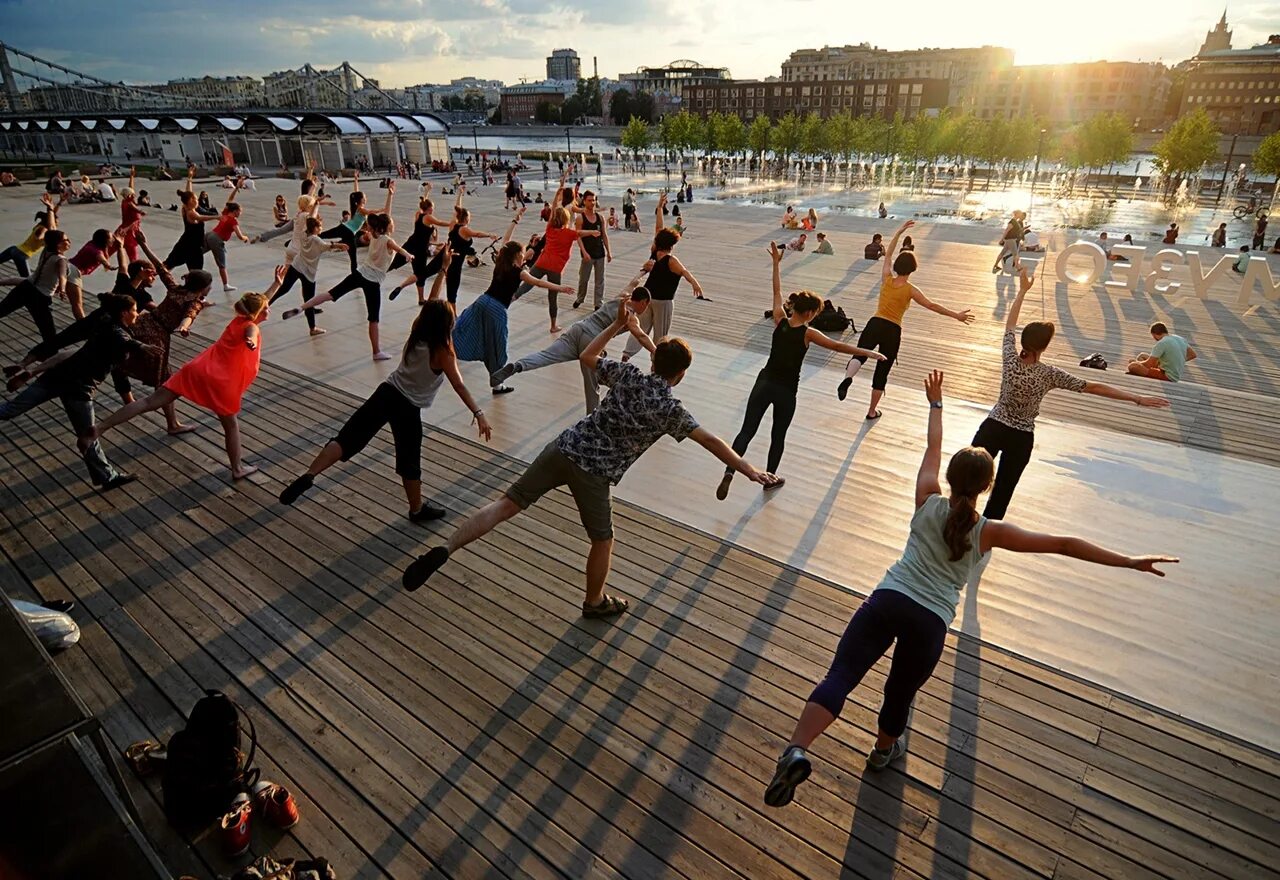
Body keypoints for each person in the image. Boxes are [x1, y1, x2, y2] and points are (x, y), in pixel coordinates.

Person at [762, 370, 1177, 808]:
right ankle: (883, 751)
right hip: (930, 620)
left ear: (951, 478)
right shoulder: (988, 532)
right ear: (987, 487)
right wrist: (1128, 560)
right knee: (899, 692)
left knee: (840, 678)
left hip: (888, 599)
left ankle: (797, 749)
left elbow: (933, 447)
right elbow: (1063, 544)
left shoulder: (927, 498)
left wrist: (936, 404)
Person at [401, 299, 781, 615]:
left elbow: (587, 354)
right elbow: (710, 440)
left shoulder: (627, 375)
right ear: (679, 375)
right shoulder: (670, 409)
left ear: (653, 363)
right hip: (596, 474)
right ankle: (594, 600)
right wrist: (747, 469)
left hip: (564, 446)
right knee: (603, 540)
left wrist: (617, 326)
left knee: (504, 504)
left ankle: (447, 547)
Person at [279, 278, 494, 521]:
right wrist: (479, 413)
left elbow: (431, 305)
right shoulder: (443, 351)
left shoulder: (417, 332)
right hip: (408, 408)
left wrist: (443, 270)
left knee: (347, 438)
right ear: (446, 324)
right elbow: (458, 385)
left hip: (386, 392)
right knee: (409, 461)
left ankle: (310, 474)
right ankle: (416, 509)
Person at [972, 269, 1169, 520]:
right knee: (1003, 493)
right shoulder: (1050, 374)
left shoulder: (1010, 358)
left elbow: (1010, 325)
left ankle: (956, 524)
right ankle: (986, 537)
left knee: (970, 478)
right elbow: (1094, 387)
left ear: (1024, 342)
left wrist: (1023, 290)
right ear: (1044, 346)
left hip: (994, 426)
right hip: (1021, 438)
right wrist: (1137, 398)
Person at [717, 245, 886, 500]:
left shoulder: (780, 320)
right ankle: (769, 478)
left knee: (746, 431)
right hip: (787, 391)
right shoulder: (808, 333)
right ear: (808, 313)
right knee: (778, 436)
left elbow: (776, 290)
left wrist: (776, 263)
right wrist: (869, 353)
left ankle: (730, 471)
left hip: (764, 382)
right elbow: (838, 346)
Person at [84, 279, 285, 480]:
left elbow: (261, 301)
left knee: (148, 402)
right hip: (220, 382)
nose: (269, 309)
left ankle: (98, 428)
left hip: (196, 369)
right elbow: (252, 331)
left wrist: (277, 283)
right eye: (267, 308)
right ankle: (238, 469)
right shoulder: (252, 327)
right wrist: (250, 341)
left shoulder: (239, 320)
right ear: (256, 313)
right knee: (231, 426)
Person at [1, 293, 148, 490]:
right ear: (124, 313)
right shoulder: (118, 334)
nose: (137, 314)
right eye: (134, 310)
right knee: (89, 434)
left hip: (57, 375)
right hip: (79, 389)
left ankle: (106, 476)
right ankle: (107, 477)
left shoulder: (103, 322)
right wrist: (143, 346)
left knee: (10, 409)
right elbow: (125, 341)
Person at [837, 221, 974, 420]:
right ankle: (871, 411)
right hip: (892, 330)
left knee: (860, 355)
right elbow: (932, 306)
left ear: (897, 266)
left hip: (875, 323)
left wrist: (899, 232)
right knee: (882, 371)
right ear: (912, 269)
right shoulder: (910, 290)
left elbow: (889, 254)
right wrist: (956, 315)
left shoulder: (886, 279)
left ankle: (848, 378)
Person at [452, 211, 575, 395]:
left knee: (468, 330)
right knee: (496, 347)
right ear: (518, 256)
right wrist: (560, 288)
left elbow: (507, 240)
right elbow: (539, 283)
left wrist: (515, 220)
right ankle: (497, 382)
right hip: (496, 309)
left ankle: (493, 381)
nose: (525, 255)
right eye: (523, 253)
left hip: (482, 302)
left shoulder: (501, 261)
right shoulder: (520, 272)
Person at [282, 186, 411, 361]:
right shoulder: (388, 239)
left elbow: (386, 215)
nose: (393, 223)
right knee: (374, 319)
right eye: (392, 222)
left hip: (360, 273)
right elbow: (399, 248)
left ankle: (302, 308)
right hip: (373, 282)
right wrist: (408, 255)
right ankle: (376, 352)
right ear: (388, 226)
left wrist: (390, 195)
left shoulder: (374, 235)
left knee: (330, 294)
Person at [492, 276, 656, 412]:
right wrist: (656, 351)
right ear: (642, 302)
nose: (646, 308)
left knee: (546, 355)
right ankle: (591, 418)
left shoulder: (621, 297)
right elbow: (641, 336)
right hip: (591, 341)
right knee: (591, 384)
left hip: (577, 329)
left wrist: (643, 271)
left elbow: (633, 282)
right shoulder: (631, 316)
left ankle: (518, 366)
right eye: (647, 304)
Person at [621, 193, 708, 361]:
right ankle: (657, 363)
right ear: (672, 244)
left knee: (640, 329)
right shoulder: (671, 260)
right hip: (664, 302)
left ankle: (626, 354)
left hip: (648, 298)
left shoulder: (655, 251)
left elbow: (658, 228)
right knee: (660, 336)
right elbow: (685, 272)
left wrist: (660, 207)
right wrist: (695, 284)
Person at [513, 175, 600, 333]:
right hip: (555, 268)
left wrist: (556, 195)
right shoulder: (568, 233)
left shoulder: (550, 229)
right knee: (552, 296)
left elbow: (553, 211)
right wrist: (594, 231)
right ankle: (553, 326)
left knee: (527, 285)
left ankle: (510, 299)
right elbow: (580, 233)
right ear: (567, 219)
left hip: (541, 262)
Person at [271, 213, 347, 336]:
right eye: (320, 226)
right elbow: (325, 246)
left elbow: (321, 242)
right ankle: (312, 328)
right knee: (309, 301)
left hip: (296, 266)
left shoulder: (303, 234)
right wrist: (340, 245)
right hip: (308, 273)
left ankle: (266, 304)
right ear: (315, 228)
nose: (321, 228)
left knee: (284, 288)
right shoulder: (316, 239)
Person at [0, 229, 68, 343]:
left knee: (2, 310)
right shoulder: (61, 260)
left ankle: (50, 354)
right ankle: (51, 356)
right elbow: (62, 276)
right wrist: (62, 289)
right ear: (58, 243)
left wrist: (51, 211)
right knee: (48, 332)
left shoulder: (47, 250)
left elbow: (51, 230)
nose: (69, 242)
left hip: (26, 288)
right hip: (39, 297)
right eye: (65, 240)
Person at [387, 189, 452, 304]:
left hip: (411, 244)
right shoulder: (428, 217)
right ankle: (402, 287)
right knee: (420, 274)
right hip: (420, 249)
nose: (433, 209)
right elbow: (440, 223)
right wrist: (453, 224)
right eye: (432, 207)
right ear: (429, 208)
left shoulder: (419, 214)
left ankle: (421, 299)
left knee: (401, 266)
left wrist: (426, 193)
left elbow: (423, 232)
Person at [164, 169, 220, 273]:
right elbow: (200, 218)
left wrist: (190, 178)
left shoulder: (186, 207)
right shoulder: (190, 212)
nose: (197, 200)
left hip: (189, 244)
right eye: (194, 199)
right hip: (190, 246)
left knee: (174, 265)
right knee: (169, 266)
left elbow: (188, 193)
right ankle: (146, 278)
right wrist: (216, 217)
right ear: (189, 201)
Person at [64, 229, 117, 320]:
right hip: (73, 272)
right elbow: (103, 260)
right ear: (104, 240)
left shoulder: (92, 244)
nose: (113, 240)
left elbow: (107, 252)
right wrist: (111, 267)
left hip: (68, 266)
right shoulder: (97, 252)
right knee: (77, 304)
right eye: (111, 238)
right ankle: (84, 327)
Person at [572, 190, 612, 311]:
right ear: (584, 201)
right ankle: (580, 298)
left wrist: (609, 251)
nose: (592, 202)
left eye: (594, 200)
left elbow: (604, 235)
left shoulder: (600, 218)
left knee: (600, 280)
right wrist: (584, 252)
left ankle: (598, 303)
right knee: (584, 279)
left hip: (600, 253)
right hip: (587, 254)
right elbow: (577, 236)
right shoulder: (580, 218)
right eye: (589, 200)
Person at [0, 199, 57, 278]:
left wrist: (54, 206)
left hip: (14, 249)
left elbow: (52, 217)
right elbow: (48, 229)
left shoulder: (40, 226)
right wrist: (42, 236)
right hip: (22, 254)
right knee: (27, 280)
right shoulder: (45, 230)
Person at [1127, 322, 1195, 382]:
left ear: (1154, 334)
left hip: (1167, 375)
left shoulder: (1161, 343)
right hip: (1173, 370)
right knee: (1142, 355)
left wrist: (1136, 363)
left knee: (1132, 366)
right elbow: (1193, 355)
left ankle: (1146, 372)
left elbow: (1149, 364)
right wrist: (1178, 361)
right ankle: (1146, 370)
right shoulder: (1179, 338)